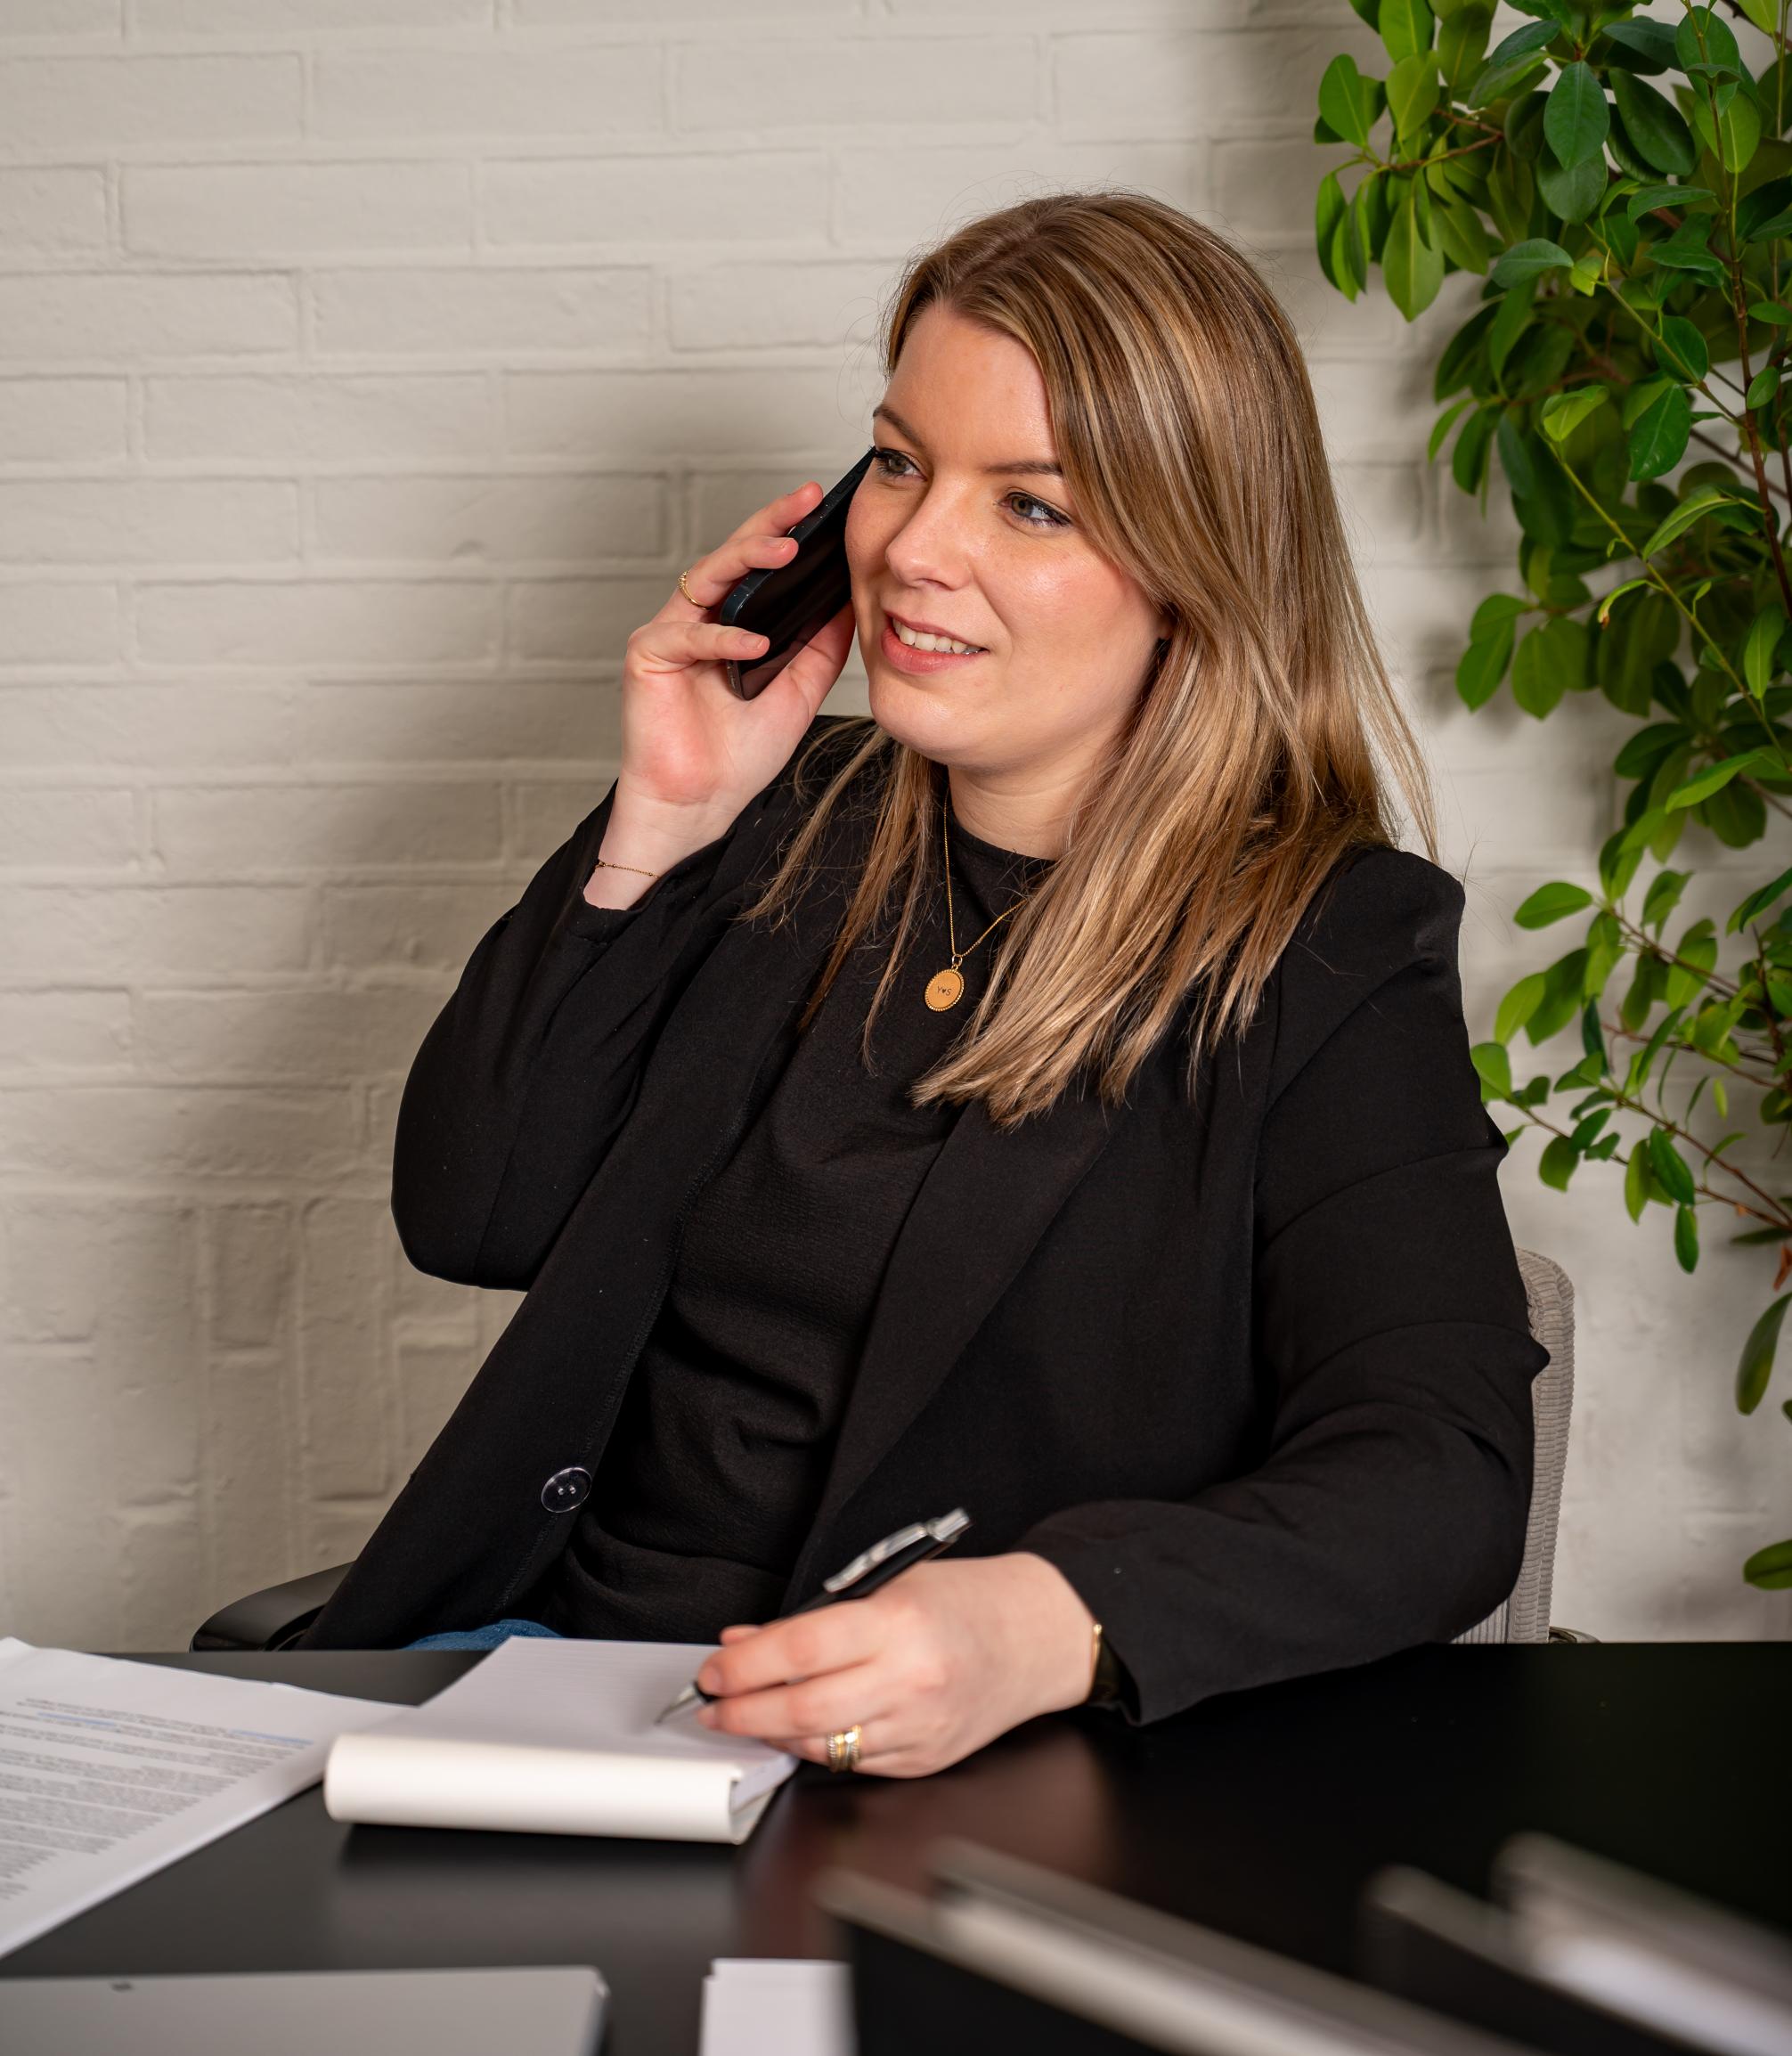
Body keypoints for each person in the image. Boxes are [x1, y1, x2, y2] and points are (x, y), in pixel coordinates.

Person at [297, 190, 1550, 1781]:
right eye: (899, 464)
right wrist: (661, 824)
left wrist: (1048, 1622)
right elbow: (474, 1215)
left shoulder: (1326, 950)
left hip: (935, 1761)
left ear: (1197, 566)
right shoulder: (785, 823)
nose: (910, 551)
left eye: (1030, 505)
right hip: (558, 1685)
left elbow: (1440, 1474)